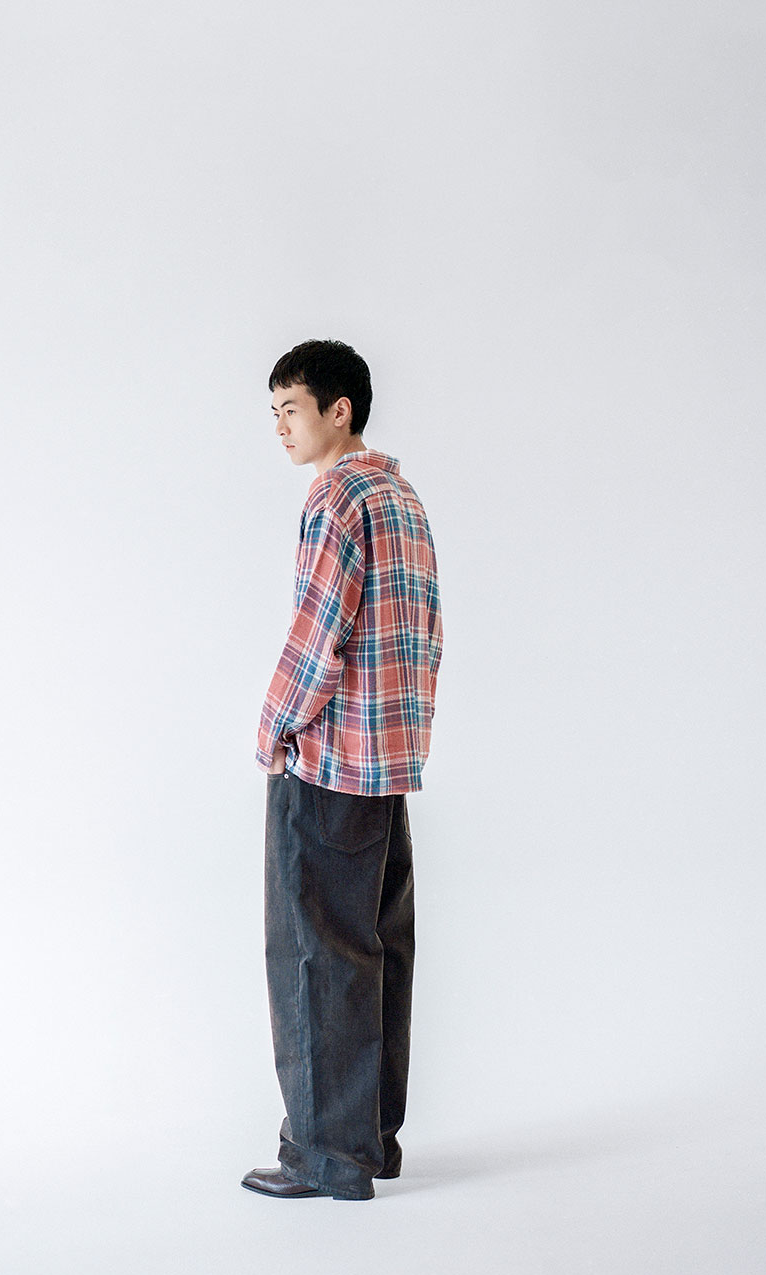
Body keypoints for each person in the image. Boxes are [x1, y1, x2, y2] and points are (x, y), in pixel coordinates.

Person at [242, 339, 443, 1202]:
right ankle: (370, 1143)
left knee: (313, 959)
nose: (280, 427)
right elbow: (425, 632)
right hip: (386, 767)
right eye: (275, 412)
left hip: (327, 765)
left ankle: (326, 1156)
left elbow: (317, 635)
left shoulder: (337, 499)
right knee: (376, 954)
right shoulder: (402, 497)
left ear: (339, 410)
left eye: (291, 409)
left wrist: (273, 729)